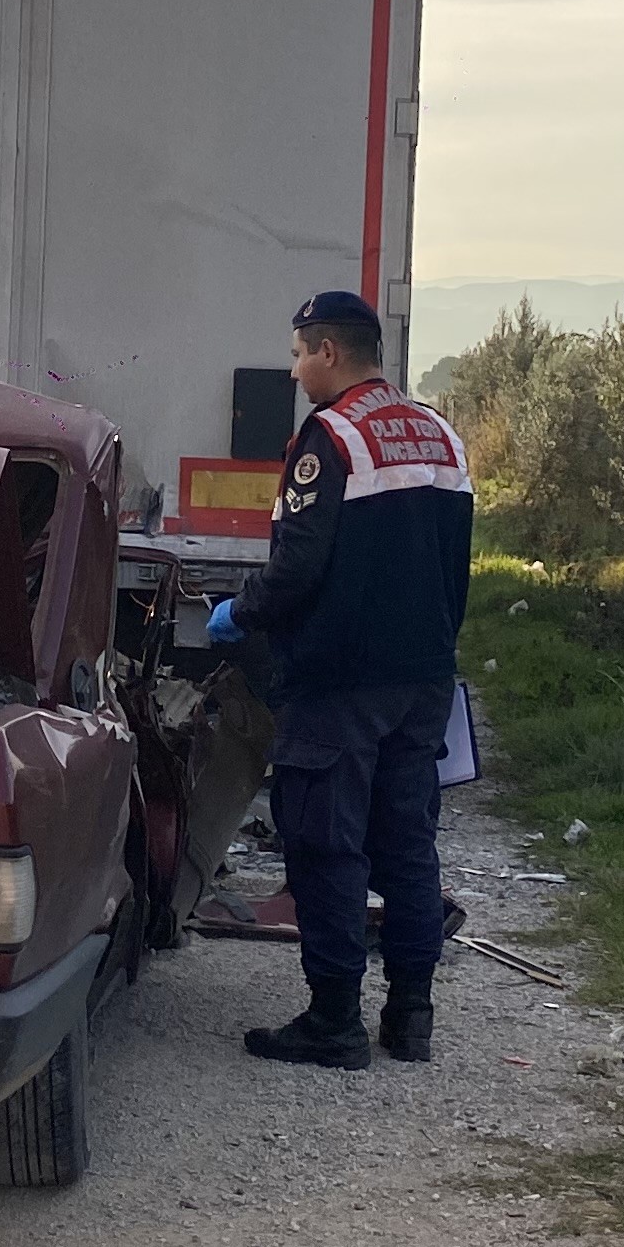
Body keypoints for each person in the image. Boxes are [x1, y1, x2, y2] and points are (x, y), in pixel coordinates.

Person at [203, 289, 474, 1070]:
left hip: (340, 681)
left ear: (328, 351)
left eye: (297, 354)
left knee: (328, 847)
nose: (293, 372)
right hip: (422, 679)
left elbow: (296, 567)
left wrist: (240, 615)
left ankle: (333, 1022)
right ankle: (411, 1018)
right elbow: (455, 569)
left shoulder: (332, 437)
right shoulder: (441, 434)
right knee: (409, 843)